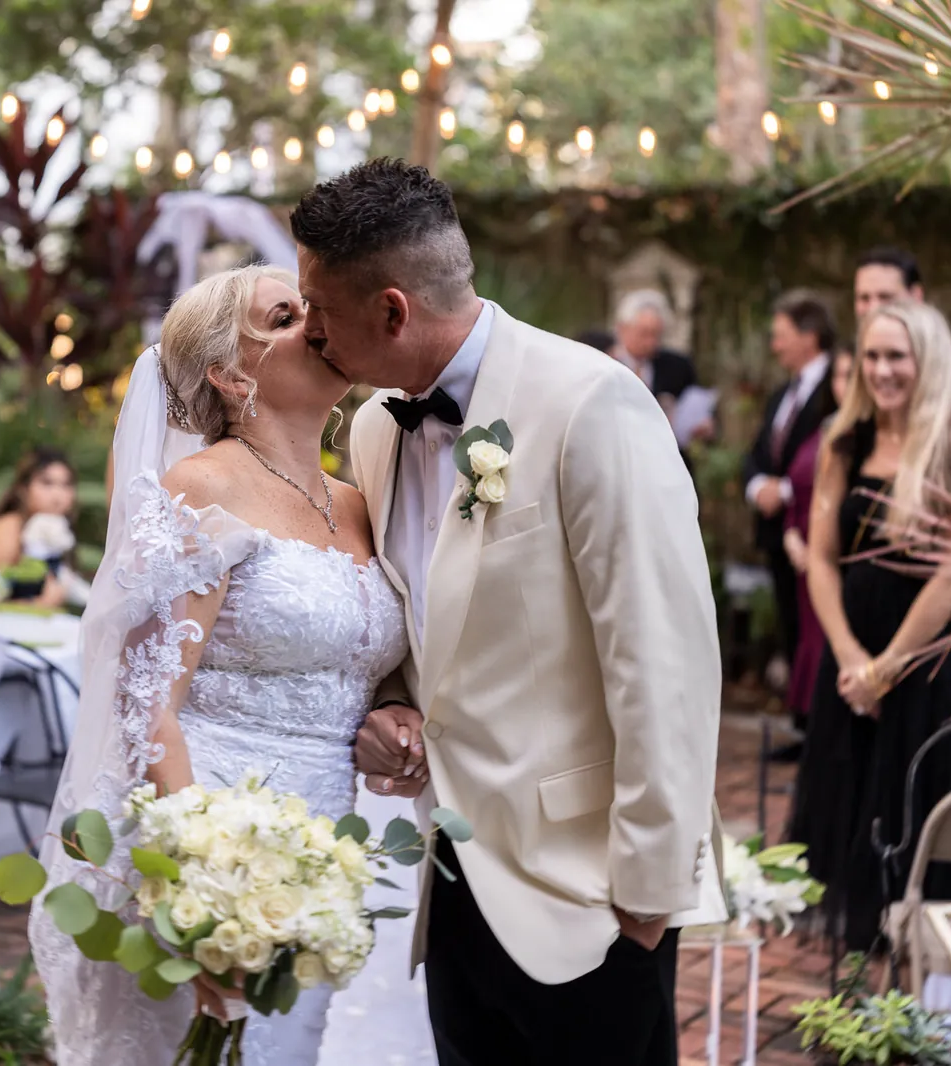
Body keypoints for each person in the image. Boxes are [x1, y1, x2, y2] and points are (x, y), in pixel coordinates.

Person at [299, 159, 725, 1066]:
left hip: (588, 896)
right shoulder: (374, 430)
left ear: (391, 311)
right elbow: (420, 622)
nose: (308, 329)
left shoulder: (592, 402)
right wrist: (392, 707)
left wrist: (648, 894)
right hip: (453, 882)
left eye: (319, 308)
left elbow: (663, 656)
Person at [28, 265, 410, 1066]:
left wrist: (394, 708)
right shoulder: (198, 491)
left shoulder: (359, 503)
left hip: (331, 845)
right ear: (232, 376)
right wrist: (202, 888)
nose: (316, 321)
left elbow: (361, 661)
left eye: (312, 306)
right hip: (211, 832)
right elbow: (148, 705)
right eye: (285, 315)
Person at [788, 300, 951, 954]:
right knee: (852, 813)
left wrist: (887, 667)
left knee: (923, 819)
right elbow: (822, 558)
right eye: (872, 356)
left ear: (926, 361)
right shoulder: (843, 441)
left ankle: (926, 985)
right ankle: (861, 984)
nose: (881, 370)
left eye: (896, 357)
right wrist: (852, 657)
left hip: (933, 660)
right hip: (854, 652)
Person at [743, 291, 840, 683]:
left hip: (815, 530)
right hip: (777, 532)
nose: (775, 346)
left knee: (817, 636)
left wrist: (785, 491)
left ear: (809, 335)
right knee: (792, 631)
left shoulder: (838, 387)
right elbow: (757, 452)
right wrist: (757, 487)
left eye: (781, 336)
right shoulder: (781, 394)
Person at [774, 349, 857, 760]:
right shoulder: (822, 430)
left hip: (837, 561)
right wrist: (792, 535)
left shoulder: (861, 440)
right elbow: (795, 491)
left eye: (852, 375)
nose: (846, 384)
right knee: (807, 645)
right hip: (805, 557)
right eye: (840, 375)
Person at [854, 246, 951, 433]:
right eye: (864, 298)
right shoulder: (845, 364)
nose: (873, 308)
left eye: (885, 297)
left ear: (916, 296)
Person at [0, 447, 77, 607]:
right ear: (23, 489)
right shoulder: (9, 531)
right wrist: (41, 603)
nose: (57, 496)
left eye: (66, 485)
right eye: (47, 483)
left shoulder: (53, 535)